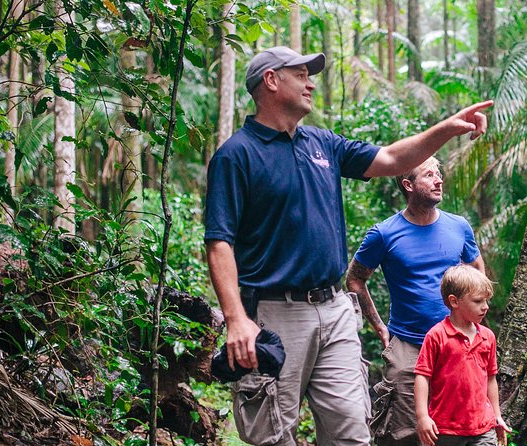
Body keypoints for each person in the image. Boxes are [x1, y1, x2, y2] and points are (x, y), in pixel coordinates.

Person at [204, 45, 492, 446]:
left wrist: (447, 128)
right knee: (272, 435)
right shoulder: (236, 156)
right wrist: (236, 319)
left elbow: (391, 158)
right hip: (274, 312)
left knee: (352, 434)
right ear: (271, 80)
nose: (310, 83)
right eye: (301, 74)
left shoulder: (323, 144)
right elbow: (219, 243)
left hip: (335, 308)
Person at [346, 156, 484, 445]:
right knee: (405, 432)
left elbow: (476, 273)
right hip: (409, 346)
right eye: (429, 175)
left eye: (439, 173)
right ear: (408, 184)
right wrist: (379, 327)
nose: (439, 179)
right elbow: (355, 279)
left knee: (458, 429)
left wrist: (474, 323)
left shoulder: (459, 227)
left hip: (457, 344)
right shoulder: (384, 234)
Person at [414, 265, 510, 446]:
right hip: (445, 429)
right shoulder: (437, 336)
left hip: (483, 428)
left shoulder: (488, 337)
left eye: (487, 301)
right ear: (454, 301)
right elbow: (422, 376)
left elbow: (491, 379)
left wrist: (497, 416)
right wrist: (422, 417)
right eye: (478, 301)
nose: (486, 307)